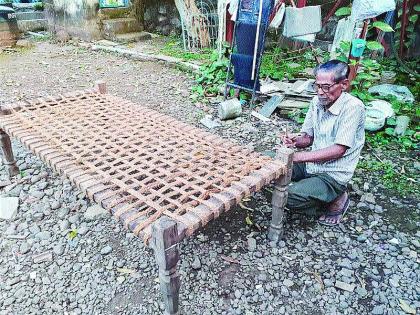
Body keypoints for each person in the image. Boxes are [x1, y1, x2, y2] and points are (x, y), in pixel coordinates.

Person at [281, 60, 365, 226]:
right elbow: (308, 138)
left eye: (326, 87)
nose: (320, 92)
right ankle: (313, 190)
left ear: (344, 84)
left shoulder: (353, 107)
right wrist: (295, 141)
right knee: (266, 164)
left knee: (287, 197)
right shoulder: (316, 102)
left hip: (333, 173)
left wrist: (298, 157)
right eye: (317, 86)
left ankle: (335, 200)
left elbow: (338, 150)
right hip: (312, 165)